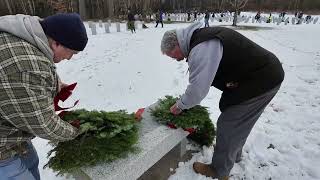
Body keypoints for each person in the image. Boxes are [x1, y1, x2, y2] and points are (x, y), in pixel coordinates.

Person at [160, 22, 284, 180]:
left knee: (229, 123)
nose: (176, 59)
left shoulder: (201, 48)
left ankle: (219, 170)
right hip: (263, 75)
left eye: (173, 55)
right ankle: (233, 154)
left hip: (261, 80)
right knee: (241, 122)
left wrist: (180, 106)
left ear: (177, 44)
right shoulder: (199, 39)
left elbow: (198, 90)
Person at [0, 13, 88, 180]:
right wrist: (77, 130)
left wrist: (55, 84)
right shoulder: (24, 67)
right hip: (2, 148)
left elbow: (35, 70)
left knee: (32, 163)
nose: (69, 58)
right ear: (55, 42)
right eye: (71, 52)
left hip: (16, 137)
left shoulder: (32, 33)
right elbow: (44, 123)